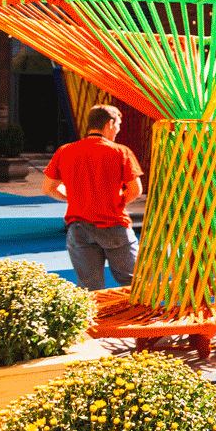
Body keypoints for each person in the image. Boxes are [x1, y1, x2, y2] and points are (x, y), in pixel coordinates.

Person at [41, 104, 143, 291]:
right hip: (113, 224)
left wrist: (75, 199)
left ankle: (94, 321)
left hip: (78, 227)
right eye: (118, 125)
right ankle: (129, 319)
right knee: (132, 284)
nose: (118, 131)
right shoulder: (120, 152)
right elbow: (136, 190)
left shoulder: (65, 151)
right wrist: (117, 203)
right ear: (110, 124)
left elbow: (49, 188)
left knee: (89, 289)